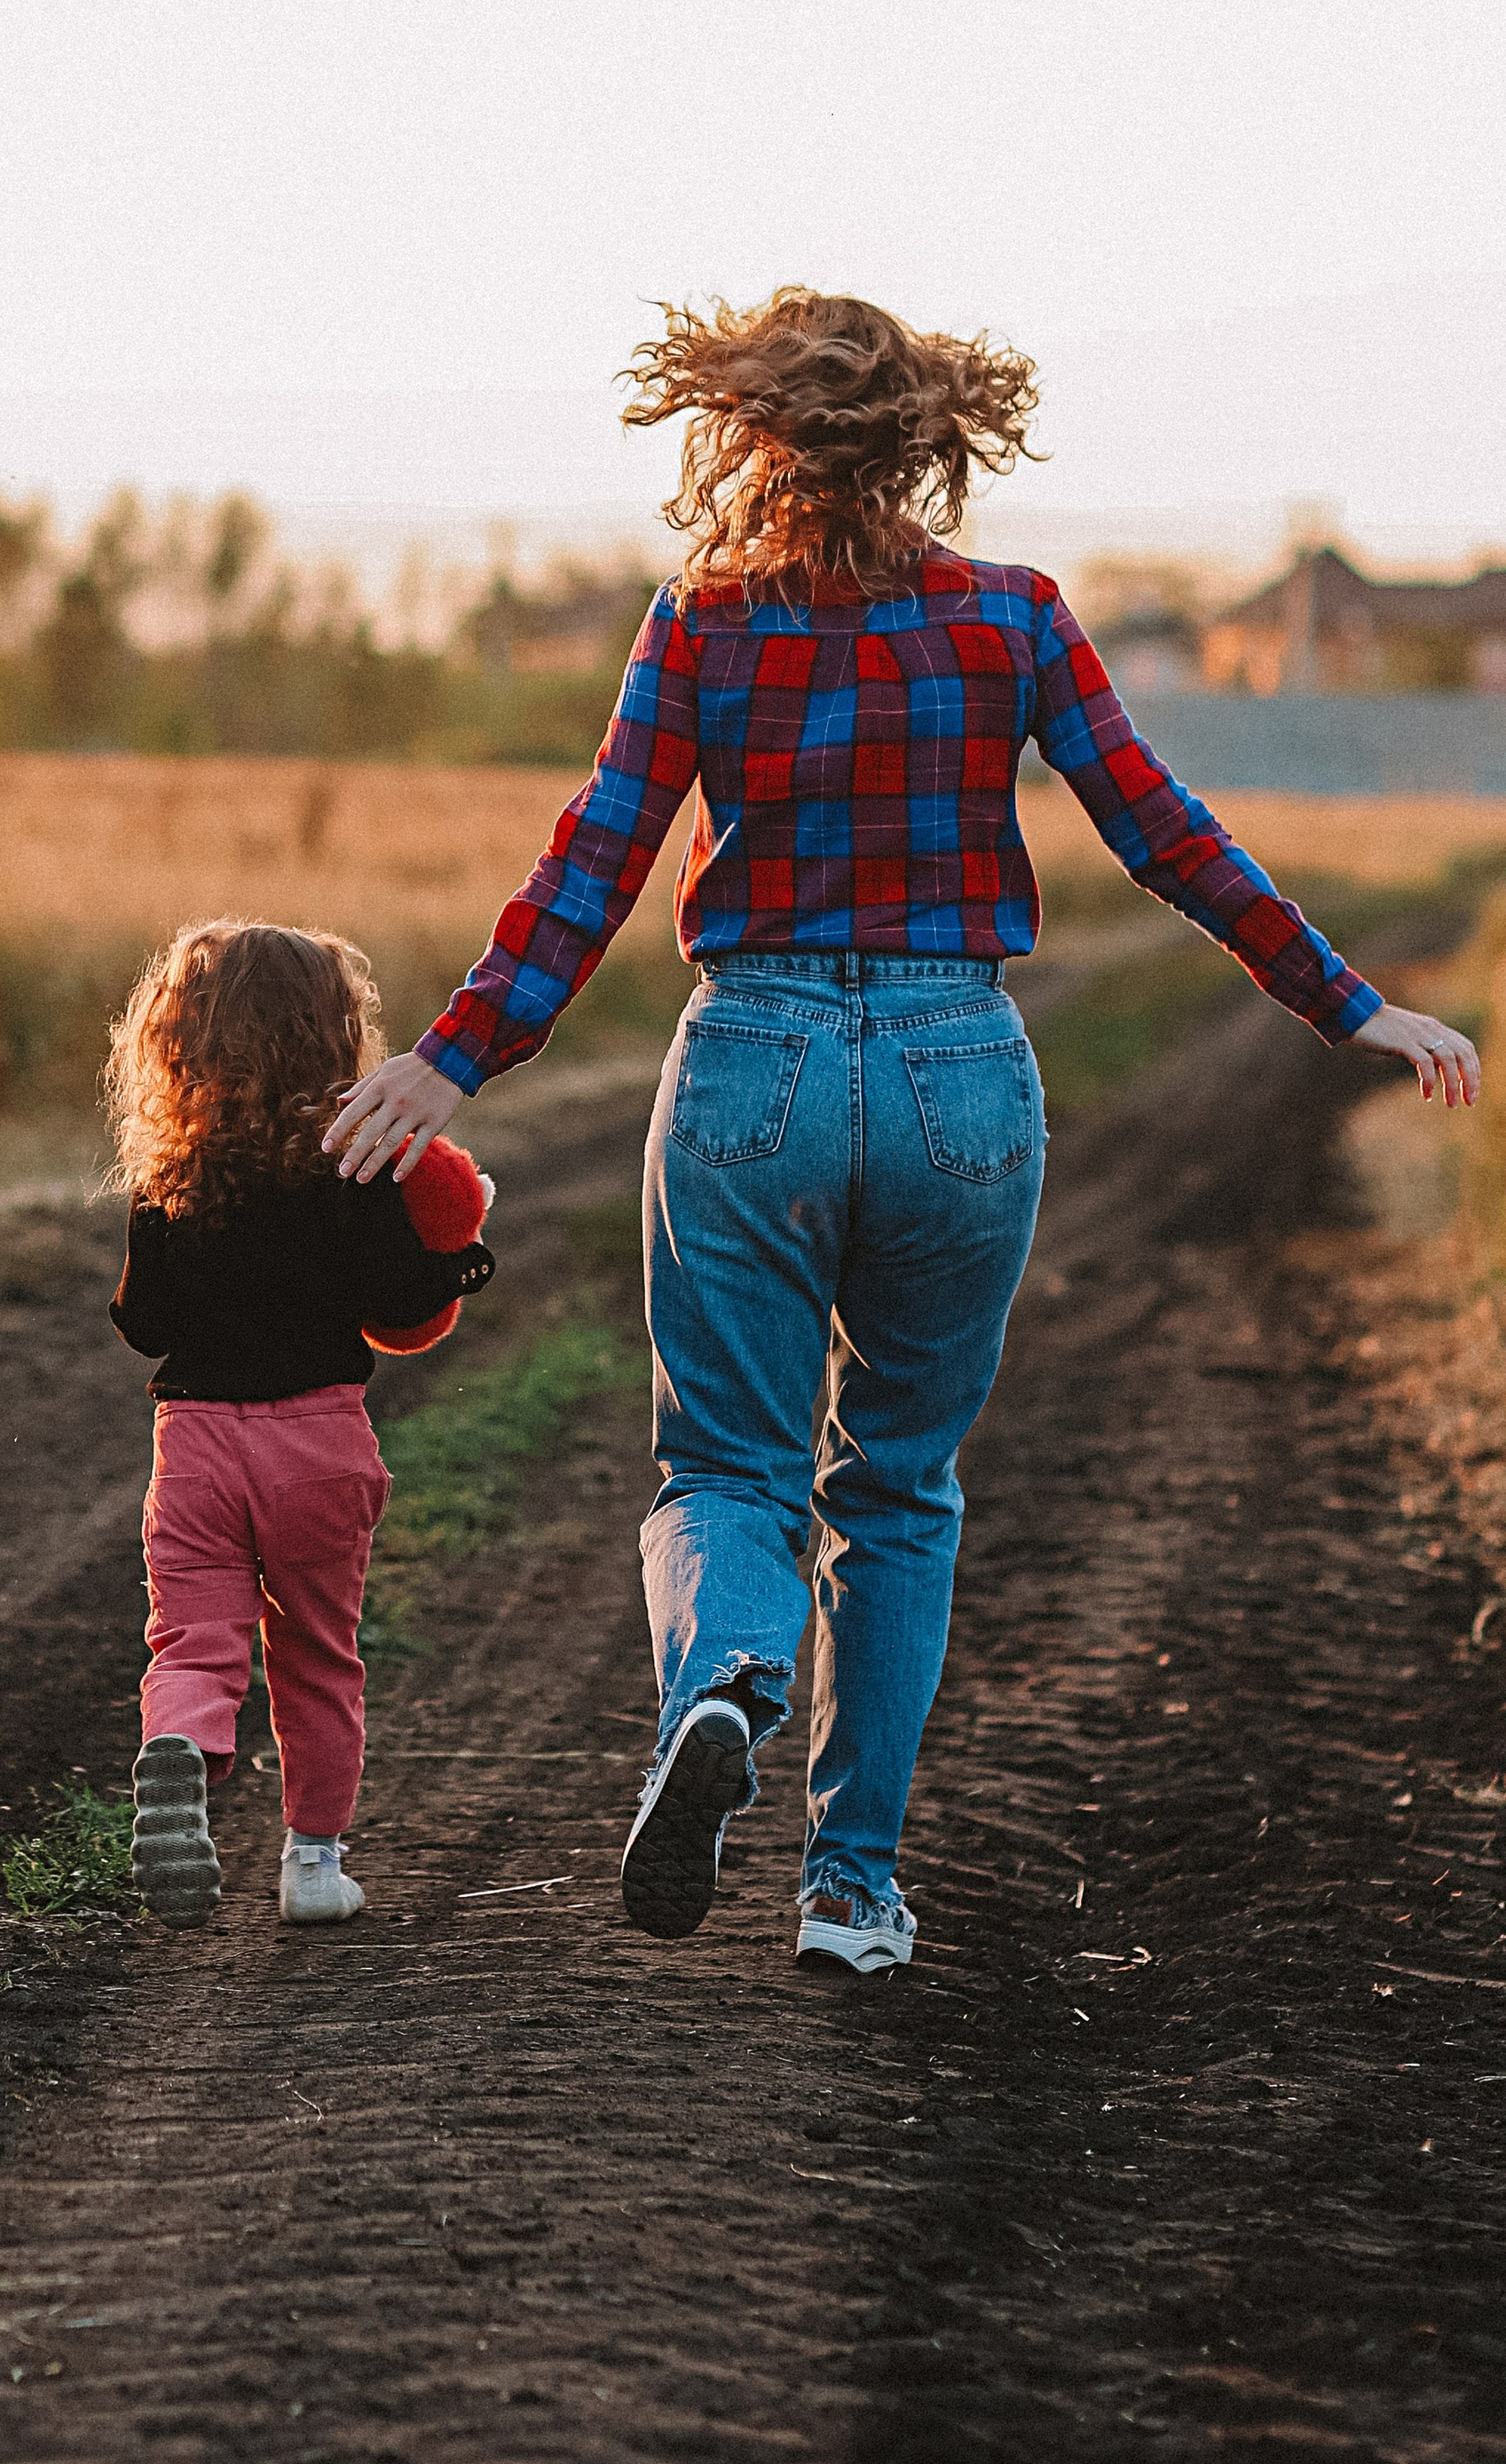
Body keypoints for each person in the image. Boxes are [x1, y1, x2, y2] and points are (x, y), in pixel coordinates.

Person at [325, 288, 1479, 1974]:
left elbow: (595, 863)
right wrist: (1346, 1001)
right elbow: (1166, 832)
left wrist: (454, 1056)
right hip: (959, 1071)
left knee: (726, 1466)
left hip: (754, 1066)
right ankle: (850, 1890)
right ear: (933, 433)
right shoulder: (1015, 619)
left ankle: (725, 1674)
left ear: (748, 432)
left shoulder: (701, 626)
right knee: (901, 1492)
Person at [106, 920, 495, 1929]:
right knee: (317, 1656)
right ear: (334, 1036)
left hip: (195, 1445)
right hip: (317, 1445)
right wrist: (463, 1246)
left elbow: (146, 1326)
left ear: (179, 1038)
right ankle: (312, 1868)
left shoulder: (170, 1176)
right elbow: (403, 1311)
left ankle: (184, 1746)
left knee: (191, 1643)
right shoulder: (357, 1166)